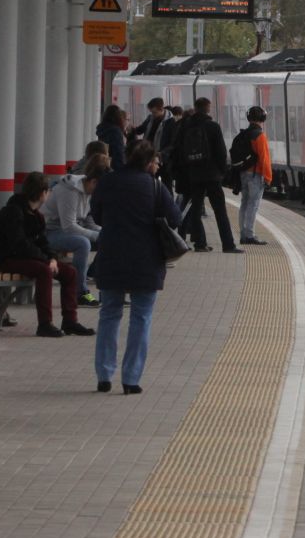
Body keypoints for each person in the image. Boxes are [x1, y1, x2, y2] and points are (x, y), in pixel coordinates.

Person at [89, 141, 184, 394]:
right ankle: (131, 379)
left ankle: (104, 375)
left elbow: (96, 216)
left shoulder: (108, 181)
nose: (157, 165)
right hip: (146, 260)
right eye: (155, 161)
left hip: (112, 257)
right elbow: (175, 218)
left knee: (109, 314)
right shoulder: (155, 186)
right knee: (141, 318)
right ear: (147, 162)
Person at [0, 173, 93, 338]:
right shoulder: (14, 211)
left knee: (70, 273)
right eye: (48, 191)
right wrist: (45, 260)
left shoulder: (37, 215)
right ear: (43, 193)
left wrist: (51, 258)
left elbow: (43, 242)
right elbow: (19, 244)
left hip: (28, 258)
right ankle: (45, 324)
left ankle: (70, 321)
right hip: (7, 258)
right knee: (44, 271)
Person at [173, 97, 240, 254]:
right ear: (208, 108)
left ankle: (200, 244)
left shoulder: (185, 126)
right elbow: (221, 152)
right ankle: (228, 245)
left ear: (195, 108)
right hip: (212, 175)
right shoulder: (213, 126)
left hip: (194, 174)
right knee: (220, 211)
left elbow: (179, 151)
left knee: (195, 210)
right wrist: (222, 172)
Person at [44, 154, 109, 308]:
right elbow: (69, 226)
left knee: (108, 239)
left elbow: (89, 221)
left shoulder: (89, 193)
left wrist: (106, 232)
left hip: (63, 230)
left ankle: (105, 285)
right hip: (48, 232)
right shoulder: (70, 192)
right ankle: (80, 292)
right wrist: (97, 235)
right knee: (83, 243)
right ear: (93, 182)